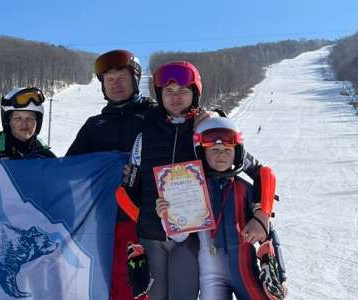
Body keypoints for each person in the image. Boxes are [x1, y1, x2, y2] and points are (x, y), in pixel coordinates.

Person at [157, 117, 287, 300]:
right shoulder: (192, 189)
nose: (221, 155)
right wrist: (167, 216)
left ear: (237, 153)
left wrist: (281, 276)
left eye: (227, 150)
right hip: (211, 275)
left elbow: (268, 231)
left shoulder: (245, 189)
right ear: (201, 152)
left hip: (245, 270)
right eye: (214, 150)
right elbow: (180, 236)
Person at [66, 49, 153, 300]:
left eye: (122, 77)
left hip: (147, 217)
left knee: (145, 284)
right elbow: (70, 169)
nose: (116, 83)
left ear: (135, 80)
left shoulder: (153, 116)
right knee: (112, 283)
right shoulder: (94, 126)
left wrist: (210, 118)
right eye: (109, 79)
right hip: (106, 218)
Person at [121, 60, 209, 300]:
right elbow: (129, 188)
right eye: (168, 92)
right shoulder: (145, 135)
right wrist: (141, 216)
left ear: (195, 93)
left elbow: (228, 165)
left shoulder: (205, 130)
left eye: (183, 90)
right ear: (160, 96)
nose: (176, 97)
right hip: (151, 235)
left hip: (189, 237)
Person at [0, 87, 56, 159]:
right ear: (7, 122)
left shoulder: (46, 157)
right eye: (18, 118)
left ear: (37, 122)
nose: (24, 124)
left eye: (30, 118)